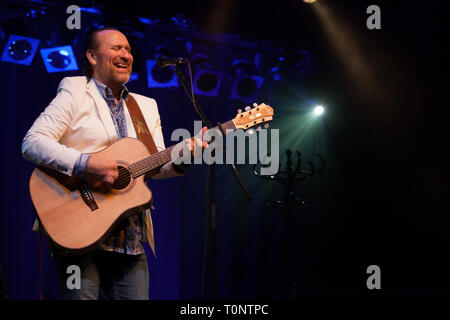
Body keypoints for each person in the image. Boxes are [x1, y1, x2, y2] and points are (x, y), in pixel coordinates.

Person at [22, 27, 206, 300]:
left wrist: (187, 153)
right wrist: (86, 163)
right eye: (116, 48)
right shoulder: (75, 89)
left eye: (129, 49)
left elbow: (154, 167)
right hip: (80, 234)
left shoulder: (146, 105)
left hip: (131, 242)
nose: (125, 54)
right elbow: (32, 142)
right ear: (92, 56)